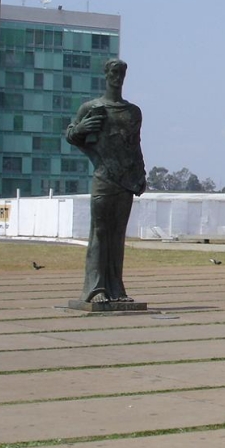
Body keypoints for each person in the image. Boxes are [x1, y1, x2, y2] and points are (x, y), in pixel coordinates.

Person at [65, 58, 146, 303]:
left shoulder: (133, 112)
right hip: (103, 177)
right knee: (100, 232)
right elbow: (70, 134)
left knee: (118, 234)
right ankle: (96, 288)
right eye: (114, 72)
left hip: (126, 181)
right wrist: (82, 128)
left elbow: (135, 146)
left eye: (121, 73)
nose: (117, 77)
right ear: (106, 75)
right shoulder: (91, 107)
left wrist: (141, 173)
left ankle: (116, 288)